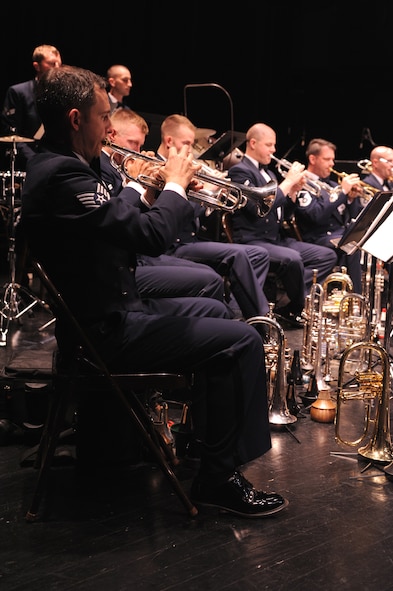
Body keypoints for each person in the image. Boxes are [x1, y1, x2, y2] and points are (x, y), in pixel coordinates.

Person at [20, 65, 288, 518]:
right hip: (101, 332)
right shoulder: (60, 175)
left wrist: (163, 187)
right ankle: (218, 478)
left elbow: (122, 208)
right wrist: (177, 186)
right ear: (74, 119)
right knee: (242, 339)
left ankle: (202, 444)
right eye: (104, 117)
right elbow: (149, 238)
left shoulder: (83, 161)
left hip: (117, 303)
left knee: (216, 310)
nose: (110, 128)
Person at [146, 113, 274, 320]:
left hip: (192, 240)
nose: (190, 149)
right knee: (238, 256)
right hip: (174, 245)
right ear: (169, 141)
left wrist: (214, 195)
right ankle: (255, 320)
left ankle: (243, 313)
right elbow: (174, 214)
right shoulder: (156, 169)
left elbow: (196, 213)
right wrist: (206, 191)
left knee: (257, 255)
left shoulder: (182, 169)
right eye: (187, 143)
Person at [101, 107, 228, 303]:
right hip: (122, 264)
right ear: (112, 135)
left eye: (139, 145)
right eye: (132, 143)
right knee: (210, 279)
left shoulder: (119, 166)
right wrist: (137, 183)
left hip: (139, 252)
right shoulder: (103, 167)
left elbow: (138, 213)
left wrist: (156, 189)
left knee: (209, 278)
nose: (136, 151)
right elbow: (115, 218)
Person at [227, 123, 337, 327]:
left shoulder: (270, 174)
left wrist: (293, 191)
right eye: (269, 145)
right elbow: (255, 210)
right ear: (252, 143)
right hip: (252, 240)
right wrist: (287, 184)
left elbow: (282, 214)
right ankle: (298, 306)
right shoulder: (240, 172)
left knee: (326, 255)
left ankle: (291, 305)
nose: (274, 150)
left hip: (275, 239)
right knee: (292, 259)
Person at [294, 138, 364, 293]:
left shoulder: (333, 185)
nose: (332, 164)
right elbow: (315, 216)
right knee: (351, 246)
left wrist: (351, 198)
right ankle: (355, 299)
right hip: (317, 238)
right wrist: (343, 192)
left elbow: (349, 219)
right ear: (312, 159)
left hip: (338, 235)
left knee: (361, 242)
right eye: (327, 159)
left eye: (332, 159)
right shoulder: (302, 184)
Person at [0, 44, 62, 169]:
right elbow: (12, 133)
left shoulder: (63, 93)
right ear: (37, 66)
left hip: (56, 159)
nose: (57, 68)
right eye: (51, 63)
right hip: (28, 161)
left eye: (59, 63)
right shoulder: (19, 92)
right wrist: (34, 160)